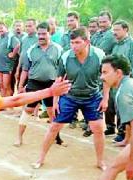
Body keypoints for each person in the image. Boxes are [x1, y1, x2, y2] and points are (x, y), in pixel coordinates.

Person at [33, 27, 108, 170]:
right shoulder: (66, 56)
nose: (74, 46)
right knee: (54, 126)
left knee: (98, 128)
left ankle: (100, 161)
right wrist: (55, 102)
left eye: (77, 42)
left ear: (87, 42)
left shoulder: (99, 55)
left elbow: (105, 79)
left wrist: (105, 98)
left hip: (92, 96)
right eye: (72, 42)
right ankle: (40, 158)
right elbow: (58, 80)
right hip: (70, 96)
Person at [15, 22, 64, 147]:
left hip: (51, 84)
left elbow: (61, 70)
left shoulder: (58, 49)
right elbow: (25, 69)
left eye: (44, 33)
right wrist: (21, 85)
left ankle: (57, 139)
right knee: (28, 110)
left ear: (49, 33)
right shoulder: (31, 50)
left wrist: (60, 85)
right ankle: (19, 138)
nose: (41, 36)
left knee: (52, 112)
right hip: (34, 83)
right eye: (39, 34)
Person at [0, 22, 20, 97]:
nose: (0, 30)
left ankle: (9, 103)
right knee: (1, 85)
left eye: (1, 28)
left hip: (6, 66)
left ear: (6, 28)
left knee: (6, 86)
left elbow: (18, 45)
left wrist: (13, 54)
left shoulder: (10, 37)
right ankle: (3, 103)